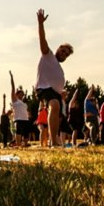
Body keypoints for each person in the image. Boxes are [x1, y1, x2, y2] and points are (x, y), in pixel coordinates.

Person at [35, 9, 74, 148]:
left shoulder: (59, 68)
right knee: (54, 105)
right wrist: (40, 24)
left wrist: (60, 91)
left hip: (54, 92)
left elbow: (55, 81)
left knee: (57, 114)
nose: (64, 54)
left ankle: (54, 139)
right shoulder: (49, 55)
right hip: (43, 89)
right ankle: (54, 141)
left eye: (66, 54)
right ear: (57, 49)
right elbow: (42, 40)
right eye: (63, 51)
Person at [9, 71, 30, 148]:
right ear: (17, 94)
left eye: (23, 94)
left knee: (26, 133)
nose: (22, 94)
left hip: (25, 119)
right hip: (18, 119)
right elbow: (13, 88)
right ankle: (18, 144)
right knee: (18, 132)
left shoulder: (24, 103)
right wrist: (12, 78)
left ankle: (25, 144)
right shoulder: (15, 100)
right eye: (20, 93)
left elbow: (25, 111)